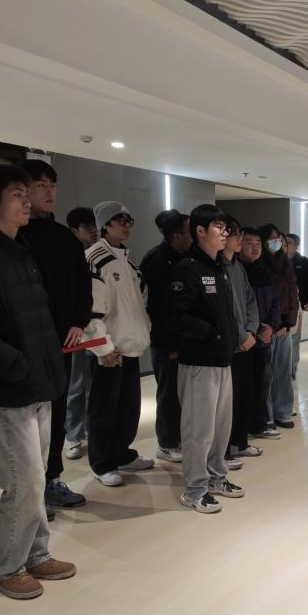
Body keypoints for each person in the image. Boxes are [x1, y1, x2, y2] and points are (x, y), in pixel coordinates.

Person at [0, 164, 76, 600]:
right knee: (23, 483)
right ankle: (6, 566)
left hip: (38, 384)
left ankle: (36, 554)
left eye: (28, 193)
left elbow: (37, 319)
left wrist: (45, 369)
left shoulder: (20, 250)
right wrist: (21, 367)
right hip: (8, 390)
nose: (27, 201)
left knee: (36, 478)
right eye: (18, 194)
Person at [18, 159, 91, 516]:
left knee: (57, 412)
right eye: (40, 185)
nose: (49, 192)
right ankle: (28, 492)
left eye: (52, 185)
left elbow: (82, 285)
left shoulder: (64, 237)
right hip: (23, 346)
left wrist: (78, 322)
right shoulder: (12, 237)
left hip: (62, 342)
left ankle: (52, 479)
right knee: (26, 422)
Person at [167, 205, 243, 513]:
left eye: (226, 229)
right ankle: (194, 489)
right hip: (199, 363)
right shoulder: (188, 269)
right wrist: (212, 334)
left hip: (222, 360)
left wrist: (228, 338)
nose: (225, 234)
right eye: (219, 228)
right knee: (198, 431)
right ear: (200, 231)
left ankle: (216, 478)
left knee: (221, 428)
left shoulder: (219, 267)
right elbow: (175, 317)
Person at [83, 201, 156, 487]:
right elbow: (91, 311)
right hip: (109, 351)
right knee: (103, 410)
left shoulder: (129, 263)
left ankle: (121, 453)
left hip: (129, 348)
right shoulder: (95, 258)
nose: (126, 226)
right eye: (119, 220)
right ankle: (103, 463)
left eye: (129, 220)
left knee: (127, 409)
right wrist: (103, 348)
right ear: (104, 225)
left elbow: (141, 303)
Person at [141, 209, 193, 464]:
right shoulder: (157, 261)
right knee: (169, 393)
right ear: (175, 236)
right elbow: (157, 308)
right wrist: (171, 344)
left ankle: (180, 437)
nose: (194, 236)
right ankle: (167, 443)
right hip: (166, 342)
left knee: (182, 394)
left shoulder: (185, 258)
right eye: (189, 232)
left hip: (184, 339)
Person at [221, 216, 263, 460]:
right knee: (226, 402)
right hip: (229, 346)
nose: (240, 239)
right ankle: (224, 450)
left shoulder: (237, 267)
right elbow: (223, 311)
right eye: (236, 234)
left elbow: (249, 302)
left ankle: (240, 442)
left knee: (244, 396)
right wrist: (240, 335)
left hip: (246, 342)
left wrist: (251, 331)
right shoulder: (215, 267)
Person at [240, 227, 281, 441]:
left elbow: (275, 301)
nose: (255, 247)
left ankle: (259, 424)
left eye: (258, 243)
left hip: (264, 336)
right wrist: (251, 330)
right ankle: (240, 430)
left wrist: (271, 327)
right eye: (250, 243)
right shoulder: (236, 270)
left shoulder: (263, 271)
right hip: (245, 338)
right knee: (244, 386)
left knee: (262, 384)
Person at [63, 206, 97, 460]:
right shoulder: (71, 256)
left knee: (94, 384)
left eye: (95, 225)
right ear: (75, 230)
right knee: (76, 384)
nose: (94, 230)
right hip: (77, 330)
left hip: (98, 329)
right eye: (88, 226)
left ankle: (91, 430)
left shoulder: (99, 255)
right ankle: (73, 435)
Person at [258, 224, 299, 429]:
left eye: (279, 239)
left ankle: (282, 411)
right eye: (272, 239)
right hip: (266, 326)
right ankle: (266, 415)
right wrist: (270, 325)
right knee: (266, 373)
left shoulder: (286, 264)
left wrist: (289, 323)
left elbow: (293, 294)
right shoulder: (259, 264)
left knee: (283, 371)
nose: (277, 242)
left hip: (284, 326)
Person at [284, 233, 308, 381]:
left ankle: (293, 368)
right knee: (283, 339)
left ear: (296, 246)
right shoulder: (279, 260)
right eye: (285, 242)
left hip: (297, 306)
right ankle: (284, 368)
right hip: (282, 306)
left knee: (295, 338)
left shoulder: (303, 261)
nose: (286, 244)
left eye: (289, 242)